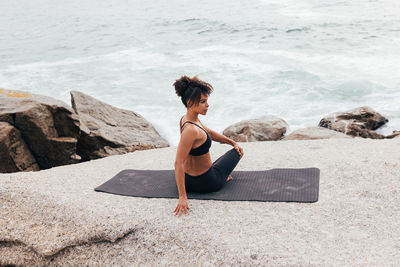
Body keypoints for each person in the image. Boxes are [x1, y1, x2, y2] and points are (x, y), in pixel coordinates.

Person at [173, 75, 244, 217]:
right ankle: (222, 178)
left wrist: (231, 142)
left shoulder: (187, 119)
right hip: (207, 182)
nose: (207, 105)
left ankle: (221, 174)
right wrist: (182, 197)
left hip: (188, 180)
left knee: (231, 150)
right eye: (203, 102)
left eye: (206, 101)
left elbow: (209, 132)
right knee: (237, 153)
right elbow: (178, 162)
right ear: (190, 102)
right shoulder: (191, 130)